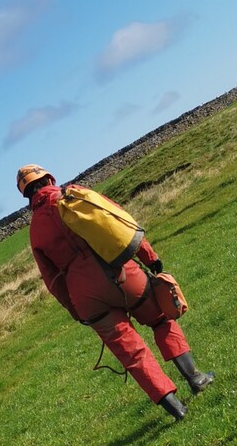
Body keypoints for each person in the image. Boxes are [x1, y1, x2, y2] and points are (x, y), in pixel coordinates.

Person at [17, 165, 214, 421]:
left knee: (132, 355)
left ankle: (176, 409)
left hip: (86, 297)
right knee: (161, 320)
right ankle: (195, 378)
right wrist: (150, 257)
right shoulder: (75, 194)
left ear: (27, 197)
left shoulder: (35, 232)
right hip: (122, 274)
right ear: (49, 178)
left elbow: (53, 281)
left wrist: (77, 312)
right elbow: (120, 223)